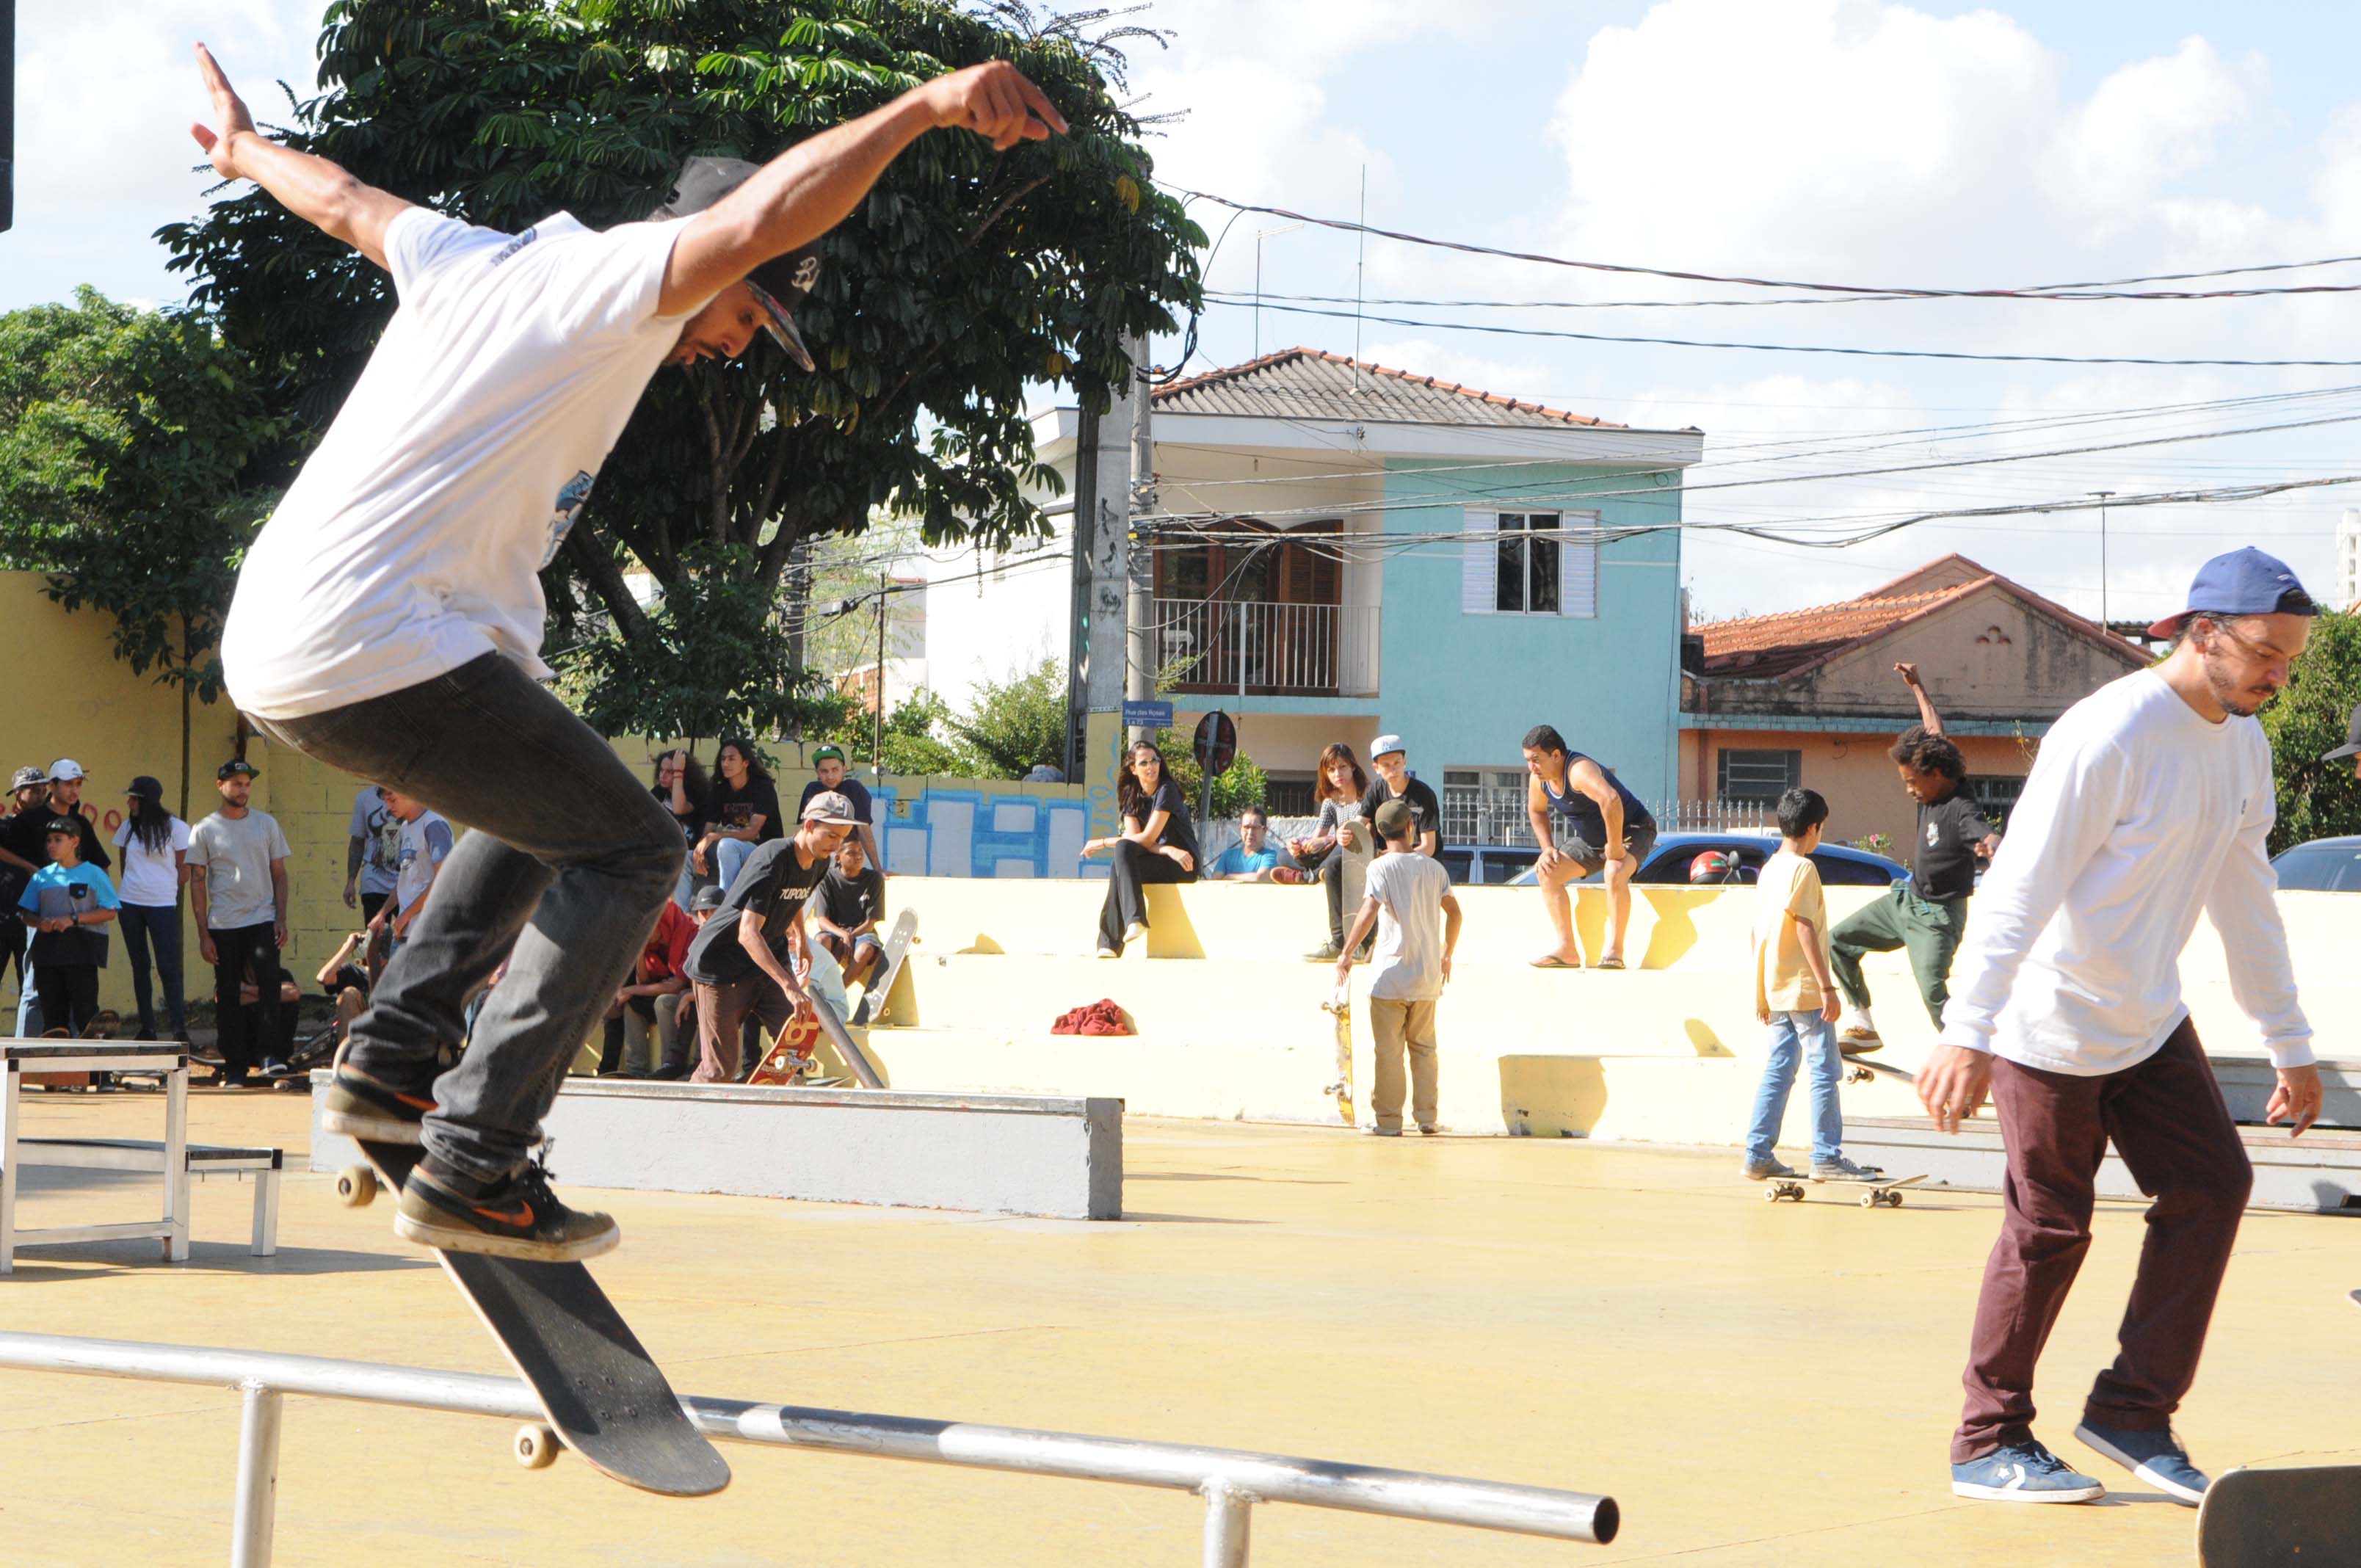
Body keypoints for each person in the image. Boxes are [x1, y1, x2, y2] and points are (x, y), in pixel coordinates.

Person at [197, 34, 1067, 1258]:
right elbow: (766, 210)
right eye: (746, 309)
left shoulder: (473, 259)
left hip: (294, 640)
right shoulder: (616, 282)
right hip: (374, 640)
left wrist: (244, 153)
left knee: (552, 803)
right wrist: (925, 107)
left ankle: (389, 1066)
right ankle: (476, 1160)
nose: (737, 343)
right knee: (634, 847)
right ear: (705, 259)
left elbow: (343, 200)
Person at [1918, 548, 2325, 1508]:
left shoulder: (2243, 743)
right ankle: (1987, 1439)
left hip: (2148, 1021)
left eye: (2291, 661)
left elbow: (2247, 897)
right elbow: (2018, 887)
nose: (2278, 675)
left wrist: (2289, 1042)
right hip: (2048, 1025)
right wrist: (1967, 1028)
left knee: (2214, 1183)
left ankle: (2133, 1413)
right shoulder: (2109, 734)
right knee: (2050, 1227)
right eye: (2266, 653)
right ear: (2203, 632)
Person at [1832, 663, 2002, 1051]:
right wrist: (1918, 687)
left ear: (1937, 773)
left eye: (1912, 782)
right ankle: (1863, 1023)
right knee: (1838, 940)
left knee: (1934, 997)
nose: (1910, 790)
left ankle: (1979, 1060)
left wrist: (1996, 850)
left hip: (1938, 919)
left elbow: (1986, 834)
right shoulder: (1932, 777)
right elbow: (1934, 732)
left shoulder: (1961, 807)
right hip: (1905, 900)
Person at [1741, 788, 1878, 1183]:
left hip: (1775, 984)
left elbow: (1759, 933)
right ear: (1814, 828)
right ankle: (1826, 1155)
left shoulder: (1770, 869)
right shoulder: (1804, 870)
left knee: (1780, 1068)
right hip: (1803, 986)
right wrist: (1828, 988)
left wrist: (1761, 991)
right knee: (1825, 1068)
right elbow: (1803, 927)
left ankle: (1758, 1153)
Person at [681, 793, 863, 1084]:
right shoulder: (771, 858)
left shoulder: (819, 863)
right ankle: (690, 1120)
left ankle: (779, 1106)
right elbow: (747, 932)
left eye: (841, 837)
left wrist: (802, 939)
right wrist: (789, 985)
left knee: (794, 1035)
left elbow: (793, 899)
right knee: (719, 1070)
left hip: (767, 954)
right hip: (721, 963)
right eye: (830, 835)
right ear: (809, 825)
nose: (836, 846)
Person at [1336, 798, 1461, 1136]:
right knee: (1424, 1050)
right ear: (1411, 828)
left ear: (1378, 833)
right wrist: (1447, 953)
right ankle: (1427, 1117)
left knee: (1389, 1054)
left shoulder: (1379, 868)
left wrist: (1347, 953)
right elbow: (1455, 913)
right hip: (1426, 978)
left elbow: (1368, 911)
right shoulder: (1435, 869)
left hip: (1389, 979)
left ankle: (1389, 1122)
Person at [187, 761, 293, 1086]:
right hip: (223, 923)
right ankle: (234, 1065)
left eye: (247, 784)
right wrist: (204, 933)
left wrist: (281, 917)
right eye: (236, 784)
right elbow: (197, 882)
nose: (243, 790)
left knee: (270, 981)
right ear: (220, 786)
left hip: (261, 918)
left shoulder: (266, 824)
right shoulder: (204, 829)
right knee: (228, 993)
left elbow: (279, 873)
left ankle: (268, 1054)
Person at [1523, 725, 1658, 971]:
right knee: (1547, 872)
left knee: (1615, 871)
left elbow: (1611, 799)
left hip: (1634, 829)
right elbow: (1536, 810)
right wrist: (1547, 848)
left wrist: (1615, 847)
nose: (1532, 768)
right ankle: (1567, 950)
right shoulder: (1538, 781)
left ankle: (1615, 952)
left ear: (1556, 755)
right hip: (1591, 841)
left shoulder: (1578, 771)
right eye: (1528, 761)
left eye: (1536, 760)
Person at [1081, 741, 1200, 958]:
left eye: (1154, 760)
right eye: (1144, 762)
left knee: (1122, 851)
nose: (1151, 766)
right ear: (1133, 769)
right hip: (1164, 857)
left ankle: (1130, 925)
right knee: (1121, 857)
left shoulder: (1167, 790)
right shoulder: (1131, 795)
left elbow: (1145, 839)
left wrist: (1102, 842)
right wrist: (1167, 850)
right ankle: (1110, 943)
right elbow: (1135, 842)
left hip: (1184, 864)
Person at [17, 816, 120, 1041]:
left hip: (82, 952)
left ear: (75, 841)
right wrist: (39, 923)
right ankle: (57, 1075)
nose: (51, 845)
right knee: (54, 1021)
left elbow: (110, 910)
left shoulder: (93, 873)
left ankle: (95, 1075)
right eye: (49, 841)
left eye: (58, 840)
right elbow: (25, 913)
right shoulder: (41, 876)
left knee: (86, 1017)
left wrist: (73, 919)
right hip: (47, 955)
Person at [112, 776, 192, 1041]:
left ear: (145, 802)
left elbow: (184, 869)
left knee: (167, 966)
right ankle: (148, 1027)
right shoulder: (127, 828)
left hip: (162, 904)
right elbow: (124, 864)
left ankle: (179, 1028)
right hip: (130, 904)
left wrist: (163, 888)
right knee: (140, 965)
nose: (129, 803)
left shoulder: (176, 828)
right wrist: (134, 888)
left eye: (133, 798)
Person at [1288, 743, 1371, 958]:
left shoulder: (1367, 797)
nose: (1338, 774)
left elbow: (1357, 833)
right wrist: (1301, 846)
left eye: (1343, 767)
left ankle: (1338, 941)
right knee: (1285, 853)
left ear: (1353, 767)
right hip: (1334, 852)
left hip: (1357, 853)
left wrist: (1325, 840)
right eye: (1332, 769)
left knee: (1335, 862)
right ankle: (1310, 873)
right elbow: (1318, 839)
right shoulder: (1330, 802)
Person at [598, 895, 693, 1077]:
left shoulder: (687, 931)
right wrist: (640, 953)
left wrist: (630, 990)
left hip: (686, 997)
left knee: (663, 1001)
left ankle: (669, 1065)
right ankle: (635, 1070)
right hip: (661, 990)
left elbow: (676, 985)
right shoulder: (650, 944)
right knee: (632, 1004)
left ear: (661, 922)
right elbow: (644, 981)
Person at [646, 885, 726, 1081]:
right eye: (702, 912)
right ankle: (674, 1062)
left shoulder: (730, 936)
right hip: (704, 993)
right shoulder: (701, 937)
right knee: (685, 999)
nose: (706, 917)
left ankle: (701, 1063)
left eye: (711, 911)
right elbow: (692, 977)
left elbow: (727, 979)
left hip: (732, 994)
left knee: (700, 1000)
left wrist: (691, 995)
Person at [694, 738, 783, 899]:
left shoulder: (763, 788)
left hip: (763, 851)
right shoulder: (720, 790)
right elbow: (708, 828)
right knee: (686, 858)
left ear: (745, 762)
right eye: (723, 759)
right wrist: (700, 851)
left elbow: (752, 832)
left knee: (726, 845)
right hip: (732, 849)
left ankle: (725, 906)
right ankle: (683, 911)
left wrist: (715, 836)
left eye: (732, 759)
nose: (726, 763)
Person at [1, 766, 52, 1034]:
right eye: (33, 791)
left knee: (31, 989)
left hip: (31, 920)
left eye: (43, 791)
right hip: (2, 917)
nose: (39, 796)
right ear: (18, 794)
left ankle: (29, 1048)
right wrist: (28, 866)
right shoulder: (5, 825)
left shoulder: (49, 831)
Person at [374, 789, 454, 955]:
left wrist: (407, 914)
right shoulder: (405, 828)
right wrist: (383, 913)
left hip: (428, 933)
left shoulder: (433, 824)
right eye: (386, 801)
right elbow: (405, 881)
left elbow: (444, 880)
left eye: (392, 800)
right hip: (405, 931)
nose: (388, 807)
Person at [812, 836, 887, 993]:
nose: (859, 856)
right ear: (838, 858)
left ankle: (836, 992)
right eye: (852, 853)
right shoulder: (827, 878)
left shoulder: (874, 879)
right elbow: (822, 920)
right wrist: (842, 935)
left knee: (865, 949)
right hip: (834, 931)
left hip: (862, 933)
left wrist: (850, 936)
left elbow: (870, 923)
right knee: (821, 940)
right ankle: (817, 987)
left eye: (860, 852)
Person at [801, 744, 883, 871]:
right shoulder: (812, 790)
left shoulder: (853, 788)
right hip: (816, 862)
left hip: (844, 861)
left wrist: (878, 869)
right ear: (817, 772)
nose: (830, 776)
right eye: (824, 771)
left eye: (835, 770)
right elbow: (804, 830)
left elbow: (864, 831)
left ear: (844, 770)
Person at [1360, 736, 1442, 859]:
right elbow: (1359, 823)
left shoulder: (1424, 794)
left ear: (1405, 761)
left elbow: (1429, 847)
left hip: (1421, 864)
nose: (1393, 770)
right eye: (1386, 765)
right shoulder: (1375, 791)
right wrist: (1345, 833)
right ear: (1376, 768)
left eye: (1397, 763)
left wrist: (1397, 856)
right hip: (1387, 864)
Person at [650, 749, 708, 912]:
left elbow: (679, 808)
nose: (663, 775)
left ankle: (682, 915)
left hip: (691, 854)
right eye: (661, 770)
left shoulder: (696, 793)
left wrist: (679, 774)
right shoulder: (659, 792)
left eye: (670, 771)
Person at [343, 783, 399, 925]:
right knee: (376, 938)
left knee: (410, 938)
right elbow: (357, 841)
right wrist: (351, 881)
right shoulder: (364, 799)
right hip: (374, 882)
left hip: (404, 881)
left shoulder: (411, 798)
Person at [1208, 805, 1286, 881]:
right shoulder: (1228, 855)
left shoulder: (1270, 856)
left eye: (1255, 828)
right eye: (1246, 827)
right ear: (1240, 829)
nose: (1250, 833)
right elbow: (1216, 879)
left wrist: (1230, 877)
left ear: (1265, 831)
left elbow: (1261, 878)